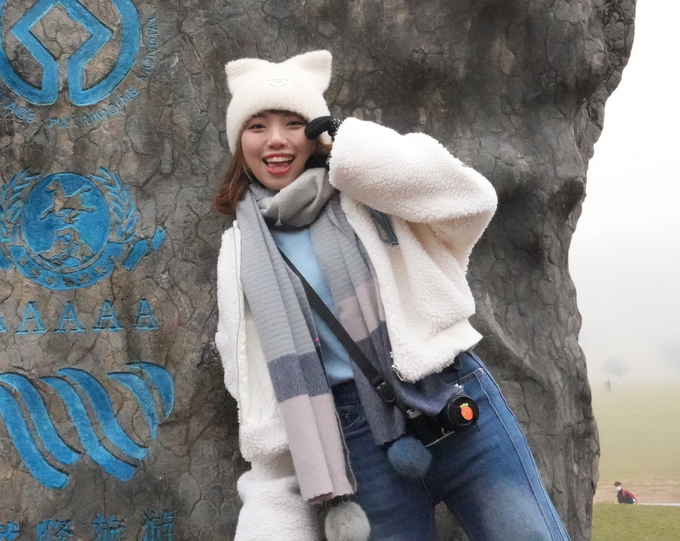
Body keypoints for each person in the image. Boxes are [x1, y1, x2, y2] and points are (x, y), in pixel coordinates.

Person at [212, 51, 572, 541]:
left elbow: (471, 201)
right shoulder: (241, 251)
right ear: (240, 142)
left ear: (315, 133)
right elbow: (254, 386)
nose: (275, 139)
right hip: (354, 442)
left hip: (450, 396)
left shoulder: (367, 193)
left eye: (293, 123)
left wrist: (355, 147)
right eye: (257, 126)